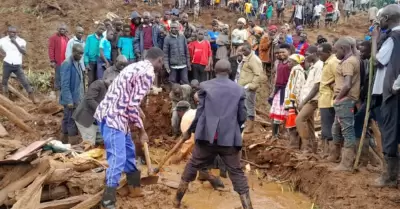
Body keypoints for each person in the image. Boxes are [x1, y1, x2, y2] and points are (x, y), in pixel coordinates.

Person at [173, 59, 252, 209]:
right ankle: (248, 207)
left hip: (207, 138)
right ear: (230, 72)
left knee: (192, 165)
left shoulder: (205, 86)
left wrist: (189, 132)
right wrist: (235, 129)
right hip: (229, 140)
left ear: (214, 71)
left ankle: (176, 201)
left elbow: (200, 114)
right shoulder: (239, 90)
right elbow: (242, 116)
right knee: (236, 173)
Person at [94, 47, 164, 208]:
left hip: (116, 114)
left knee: (129, 152)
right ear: (159, 60)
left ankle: (134, 188)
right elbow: (131, 105)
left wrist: (138, 109)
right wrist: (142, 131)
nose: (162, 66)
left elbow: (126, 95)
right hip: (113, 118)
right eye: (162, 62)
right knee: (118, 158)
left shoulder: (134, 66)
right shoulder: (148, 74)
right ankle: (107, 200)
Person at [371, 4, 400, 188]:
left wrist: (374, 40)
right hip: (394, 90)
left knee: (390, 132)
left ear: (387, 19)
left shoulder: (394, 37)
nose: (378, 22)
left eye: (380, 18)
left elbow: (378, 59)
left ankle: (389, 178)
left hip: (391, 92)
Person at [330, 37, 360, 172]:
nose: (335, 54)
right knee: (336, 128)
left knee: (347, 130)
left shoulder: (348, 63)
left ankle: (346, 164)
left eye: (336, 51)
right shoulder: (352, 60)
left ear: (343, 49)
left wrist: (338, 99)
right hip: (344, 99)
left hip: (345, 99)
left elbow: (347, 84)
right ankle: (335, 156)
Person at [295, 46, 323, 152]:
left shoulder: (319, 66)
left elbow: (316, 86)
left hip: (313, 100)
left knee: (299, 119)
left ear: (314, 54)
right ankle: (313, 147)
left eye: (307, 55)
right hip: (309, 99)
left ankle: (306, 147)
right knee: (310, 123)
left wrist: (304, 101)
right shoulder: (313, 66)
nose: (305, 57)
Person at [0, 26, 37, 103]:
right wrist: (1, 54)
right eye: (11, 32)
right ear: (8, 32)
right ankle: (7, 101)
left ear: (17, 33)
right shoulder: (3, 40)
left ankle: (33, 100)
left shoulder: (21, 41)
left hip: (17, 65)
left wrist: (15, 42)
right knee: (4, 82)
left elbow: (23, 52)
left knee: (25, 81)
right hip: (7, 63)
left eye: (14, 32)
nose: (12, 34)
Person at [72, 77, 112, 146]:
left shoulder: (112, 92)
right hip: (84, 119)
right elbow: (89, 99)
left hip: (95, 121)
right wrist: (101, 110)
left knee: (102, 140)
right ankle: (79, 155)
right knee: (89, 143)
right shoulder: (98, 84)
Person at [59, 44, 85, 145]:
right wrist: (69, 100)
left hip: (77, 97)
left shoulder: (77, 62)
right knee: (71, 120)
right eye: (79, 53)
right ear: (73, 52)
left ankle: (64, 140)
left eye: (82, 54)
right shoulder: (67, 63)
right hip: (70, 98)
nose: (81, 56)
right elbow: (64, 84)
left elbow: (80, 82)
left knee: (67, 118)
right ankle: (72, 142)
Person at [238, 42, 263, 133]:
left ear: (250, 49)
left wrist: (251, 86)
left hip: (249, 87)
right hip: (243, 87)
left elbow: (258, 74)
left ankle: (250, 126)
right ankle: (245, 124)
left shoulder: (254, 59)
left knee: (249, 106)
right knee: (244, 105)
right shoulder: (247, 58)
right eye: (242, 50)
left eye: (244, 50)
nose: (243, 52)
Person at [269, 44, 292, 139]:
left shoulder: (291, 63)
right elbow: (276, 78)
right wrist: (273, 91)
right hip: (278, 90)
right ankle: (274, 134)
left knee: (287, 113)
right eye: (280, 52)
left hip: (287, 90)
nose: (281, 54)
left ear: (289, 52)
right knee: (277, 113)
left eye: (284, 52)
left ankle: (287, 133)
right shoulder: (278, 63)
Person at [283, 54, 306, 149]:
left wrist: (293, 101)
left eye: (290, 61)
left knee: (293, 124)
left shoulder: (297, 70)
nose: (288, 63)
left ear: (295, 62)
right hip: (292, 102)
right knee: (292, 123)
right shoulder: (295, 70)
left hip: (293, 102)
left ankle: (294, 145)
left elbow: (296, 87)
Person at [48, 23, 69, 94]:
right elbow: (51, 49)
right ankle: (57, 93)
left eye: (64, 29)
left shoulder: (67, 38)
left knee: (65, 77)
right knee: (58, 77)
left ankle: (63, 92)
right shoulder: (53, 38)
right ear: (58, 29)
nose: (62, 30)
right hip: (58, 62)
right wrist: (52, 60)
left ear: (66, 30)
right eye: (61, 29)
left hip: (66, 62)